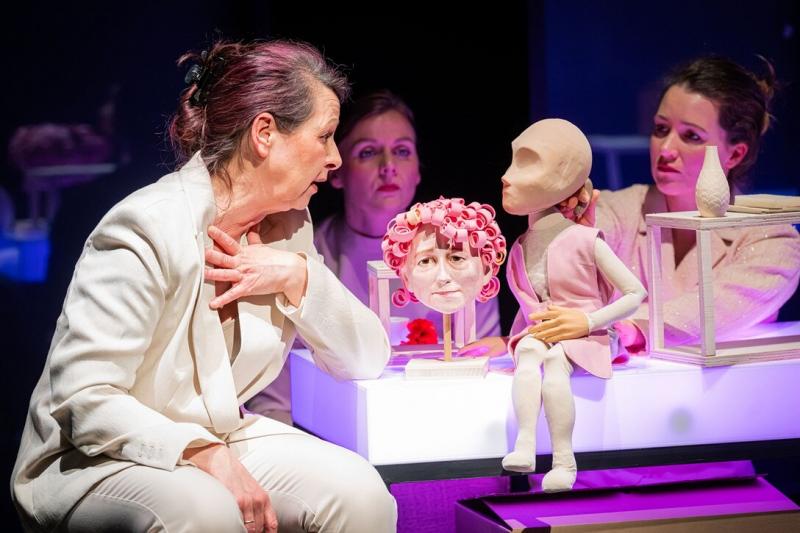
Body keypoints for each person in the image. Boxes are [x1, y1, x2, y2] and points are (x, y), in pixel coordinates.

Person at [10, 38, 397, 533]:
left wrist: (300, 276)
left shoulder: (287, 227)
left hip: (220, 436)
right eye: (324, 136)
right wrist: (202, 452)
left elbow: (366, 360)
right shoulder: (146, 226)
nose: (335, 158)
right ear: (265, 134)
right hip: (96, 457)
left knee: (361, 494)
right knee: (205, 511)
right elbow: (84, 397)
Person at [245, 89, 502, 421]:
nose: (388, 167)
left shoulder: (465, 252)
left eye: (402, 151)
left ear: (418, 169)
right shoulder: (303, 253)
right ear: (336, 171)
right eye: (367, 152)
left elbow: (484, 367)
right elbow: (275, 397)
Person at [568, 54, 800, 354]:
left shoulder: (774, 238)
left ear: (735, 154)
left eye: (691, 136)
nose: (665, 149)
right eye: (661, 129)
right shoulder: (615, 209)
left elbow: (714, 307)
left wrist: (631, 328)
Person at [492, 118, 645, 492]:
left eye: (526, 163)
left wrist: (588, 321)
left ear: (562, 178)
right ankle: (525, 445)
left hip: (590, 334)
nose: (506, 177)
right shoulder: (520, 247)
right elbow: (529, 305)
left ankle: (564, 461)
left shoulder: (584, 238)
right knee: (529, 351)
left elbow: (635, 292)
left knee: (554, 361)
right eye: (513, 161)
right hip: (547, 331)